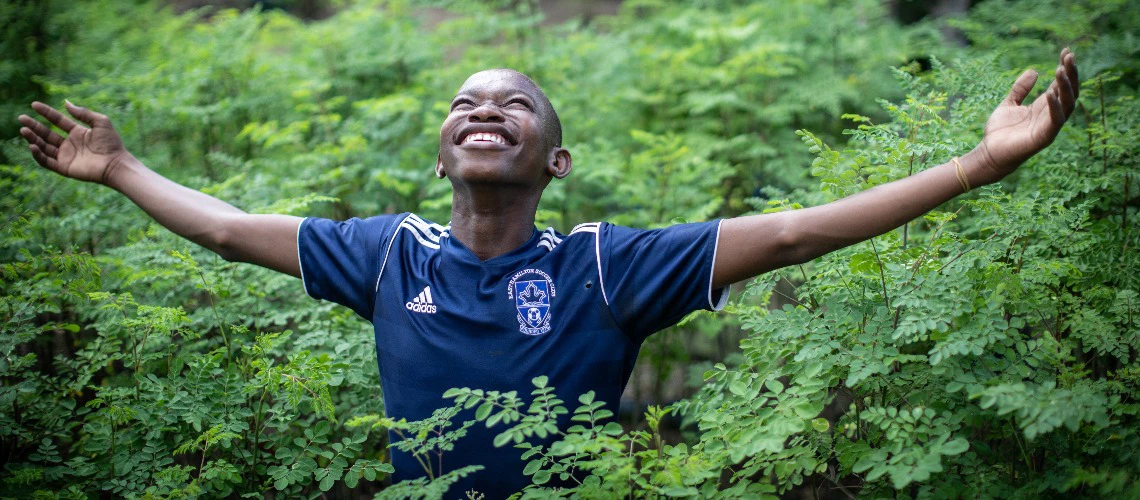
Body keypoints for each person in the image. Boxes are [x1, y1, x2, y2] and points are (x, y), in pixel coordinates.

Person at [18, 49, 1079, 497]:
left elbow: (797, 230)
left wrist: (980, 162)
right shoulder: (389, 254)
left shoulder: (605, 265)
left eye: (514, 103)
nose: (485, 108)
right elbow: (230, 228)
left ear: (555, 160)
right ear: (441, 154)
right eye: (465, 104)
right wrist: (119, 167)